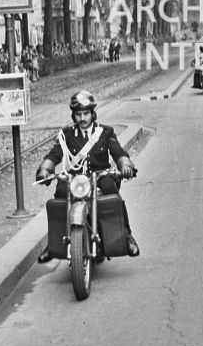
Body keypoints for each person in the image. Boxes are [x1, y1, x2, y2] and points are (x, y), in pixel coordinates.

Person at [34, 90, 140, 262]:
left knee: (111, 191)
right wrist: (45, 170)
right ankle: (54, 243)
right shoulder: (66, 135)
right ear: (73, 115)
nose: (82, 118)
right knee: (60, 193)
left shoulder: (105, 132)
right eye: (78, 114)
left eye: (86, 114)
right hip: (75, 179)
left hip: (100, 176)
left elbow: (118, 152)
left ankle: (126, 236)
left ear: (92, 113)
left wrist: (126, 166)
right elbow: (54, 154)